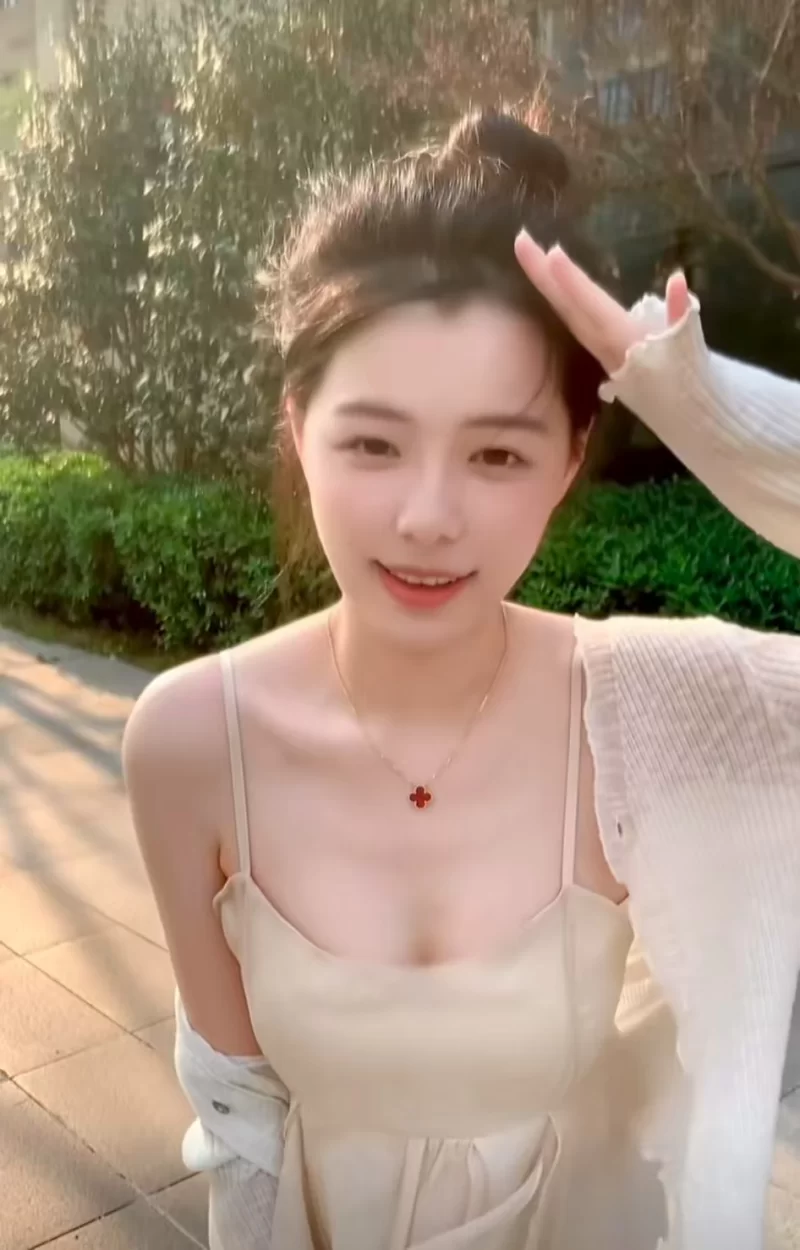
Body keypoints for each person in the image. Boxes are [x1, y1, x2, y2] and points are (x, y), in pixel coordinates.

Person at [122, 108, 800, 1250]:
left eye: (495, 452)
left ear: (568, 459)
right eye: (373, 443)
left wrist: (709, 409)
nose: (429, 517)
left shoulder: (650, 709)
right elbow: (239, 1129)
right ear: (298, 428)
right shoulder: (191, 741)